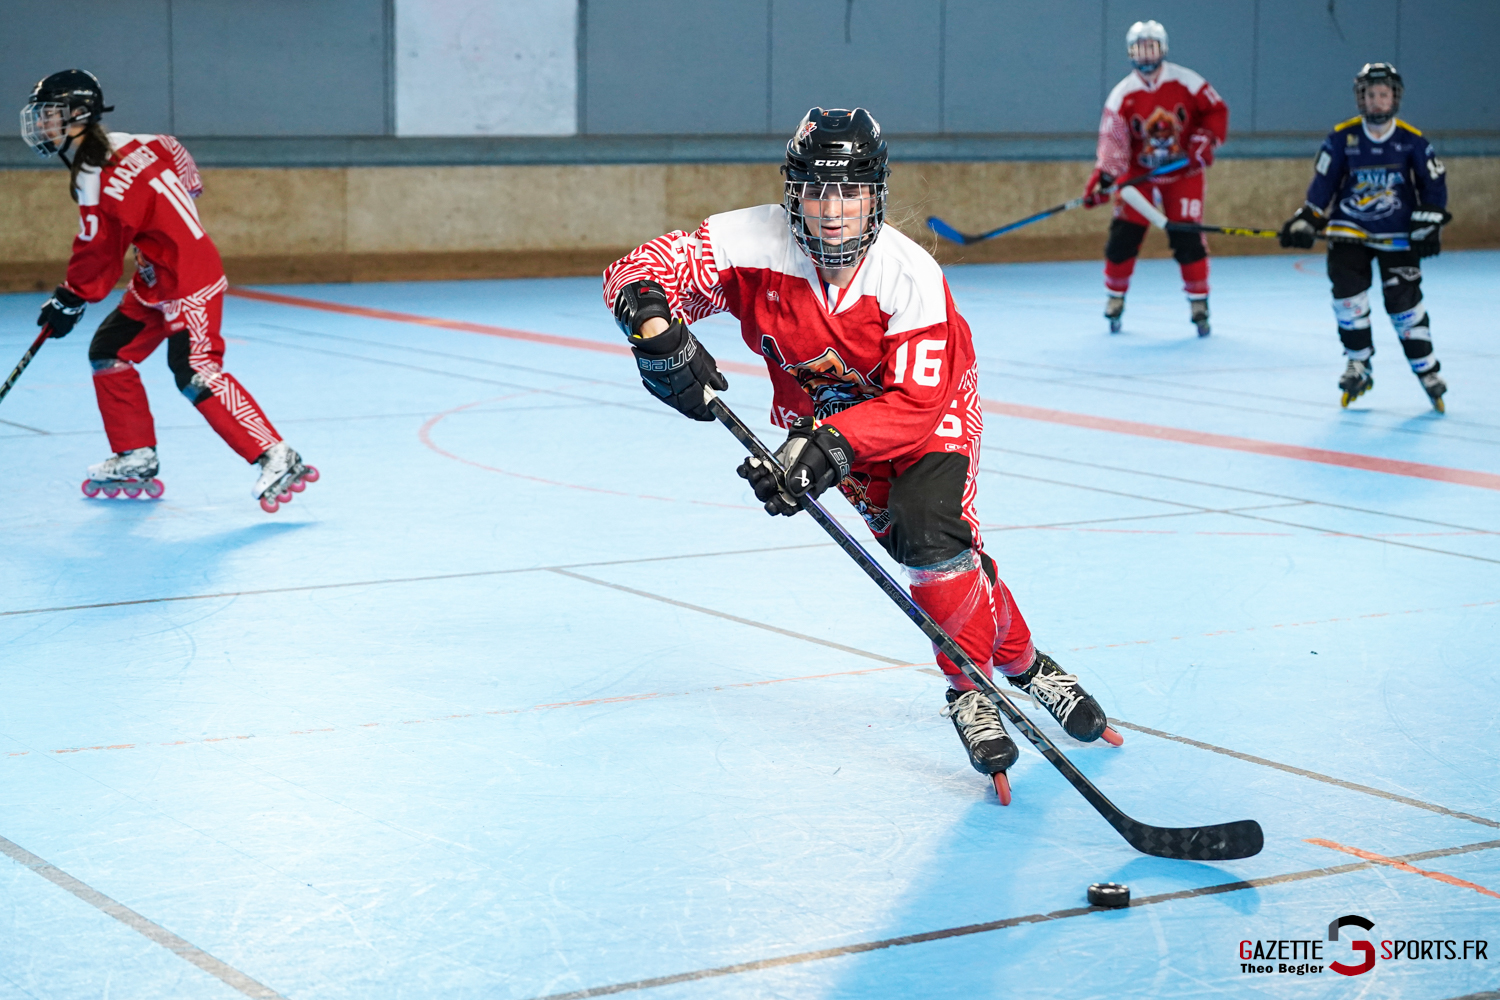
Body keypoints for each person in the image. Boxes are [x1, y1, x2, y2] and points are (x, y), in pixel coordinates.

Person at [602, 107, 1120, 803]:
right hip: (820, 418)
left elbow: (914, 405)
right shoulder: (750, 241)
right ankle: (1027, 663)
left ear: (876, 194)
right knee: (934, 557)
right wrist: (656, 331)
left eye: (851, 191)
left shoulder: (910, 277)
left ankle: (969, 690)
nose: (834, 209)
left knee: (932, 537)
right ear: (794, 193)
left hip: (927, 409)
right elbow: (639, 272)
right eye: (818, 190)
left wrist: (823, 454)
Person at [21, 69, 316, 510]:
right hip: (155, 278)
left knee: (195, 369)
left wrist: (71, 298)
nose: (41, 125)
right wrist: (176, 215)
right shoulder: (134, 141)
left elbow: (98, 249)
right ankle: (135, 455)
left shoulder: (92, 176)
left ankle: (275, 453)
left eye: (49, 115)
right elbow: (175, 154)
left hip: (189, 278)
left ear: (79, 113)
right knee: (110, 351)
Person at [1278, 62, 1451, 412]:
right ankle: (1359, 363)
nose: (1376, 101)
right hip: (1350, 232)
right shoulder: (1342, 137)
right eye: (1370, 95)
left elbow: (1433, 186)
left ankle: (1426, 369)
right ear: (1361, 98)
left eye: (1383, 94)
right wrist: (1307, 219)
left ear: (1394, 98)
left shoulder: (1411, 140)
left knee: (1404, 304)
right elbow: (1323, 186)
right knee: (1348, 298)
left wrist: (1430, 222)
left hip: (1398, 236)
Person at [1083, 20, 1229, 336]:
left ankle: (1199, 301)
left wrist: (1206, 138)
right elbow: (1113, 143)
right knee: (1124, 235)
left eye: (1152, 47)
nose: (1147, 55)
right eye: (1140, 48)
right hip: (1141, 176)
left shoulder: (1187, 81)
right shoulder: (1122, 95)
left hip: (1183, 172)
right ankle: (1115, 297)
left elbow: (1216, 111)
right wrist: (1104, 178)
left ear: (1162, 49)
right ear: (1130, 52)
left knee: (1186, 235)